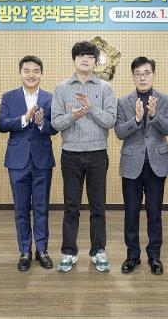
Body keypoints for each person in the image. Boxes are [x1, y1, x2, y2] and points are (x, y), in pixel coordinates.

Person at [51, 41, 117, 273]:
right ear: (74, 60)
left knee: (98, 206)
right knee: (71, 206)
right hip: (71, 154)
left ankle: (98, 251)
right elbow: (55, 122)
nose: (85, 59)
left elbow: (111, 121)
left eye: (90, 56)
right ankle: (69, 252)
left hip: (98, 154)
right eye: (81, 56)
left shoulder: (105, 88)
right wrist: (74, 116)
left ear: (95, 61)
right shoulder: (61, 88)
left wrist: (90, 108)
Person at [115, 56, 168, 275]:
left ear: (153, 75)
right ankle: (132, 255)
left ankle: (154, 256)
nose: (142, 77)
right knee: (131, 213)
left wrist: (154, 115)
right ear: (133, 76)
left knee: (154, 212)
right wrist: (137, 120)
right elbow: (119, 132)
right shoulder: (123, 101)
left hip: (156, 164)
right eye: (138, 74)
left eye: (147, 73)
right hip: (132, 164)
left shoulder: (165, 99)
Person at [0, 56, 57, 271]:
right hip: (17, 161)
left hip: (42, 161)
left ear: (41, 74)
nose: (31, 74)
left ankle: (42, 250)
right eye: (27, 70)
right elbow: (2, 124)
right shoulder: (8, 97)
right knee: (21, 209)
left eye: (36, 71)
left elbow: (55, 127)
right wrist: (24, 119)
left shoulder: (51, 98)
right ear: (20, 73)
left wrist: (41, 123)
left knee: (41, 208)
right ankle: (24, 251)